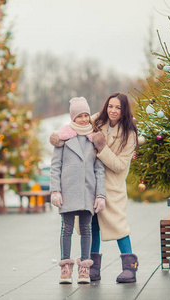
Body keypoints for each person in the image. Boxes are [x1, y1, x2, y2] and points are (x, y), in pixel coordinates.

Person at [50, 92, 139, 283]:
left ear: (124, 110)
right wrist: (59, 138)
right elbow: (77, 123)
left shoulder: (129, 134)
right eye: (110, 106)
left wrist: (102, 148)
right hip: (90, 184)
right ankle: (92, 267)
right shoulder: (98, 120)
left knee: (118, 226)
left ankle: (129, 267)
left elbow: (119, 165)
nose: (113, 110)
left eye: (118, 107)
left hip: (112, 186)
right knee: (92, 225)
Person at [50, 97, 107, 285]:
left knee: (86, 229)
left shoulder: (94, 139)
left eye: (86, 115)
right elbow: (55, 167)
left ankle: (84, 268)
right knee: (66, 229)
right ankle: (65, 268)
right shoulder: (63, 138)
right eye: (79, 116)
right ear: (73, 118)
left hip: (87, 192)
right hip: (68, 192)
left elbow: (99, 169)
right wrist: (55, 191)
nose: (83, 119)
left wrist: (100, 195)